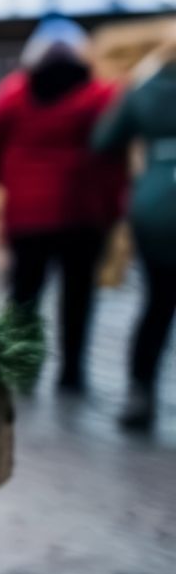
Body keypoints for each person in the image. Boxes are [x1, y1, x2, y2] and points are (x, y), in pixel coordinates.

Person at [0, 17, 127, 393]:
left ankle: (23, 365)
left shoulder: (11, 95)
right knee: (78, 294)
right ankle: (72, 372)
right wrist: (113, 206)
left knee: (25, 292)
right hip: (83, 212)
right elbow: (114, 155)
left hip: (27, 214)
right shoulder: (100, 96)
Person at [94, 36, 176, 429]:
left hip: (155, 203)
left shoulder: (143, 89)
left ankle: (139, 392)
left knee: (158, 302)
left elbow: (104, 141)